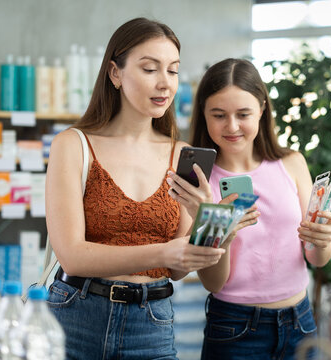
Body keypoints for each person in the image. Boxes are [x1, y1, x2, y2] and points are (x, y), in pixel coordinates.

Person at [44, 18, 225, 360]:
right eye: (149, 69)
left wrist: (205, 214)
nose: (164, 84)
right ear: (115, 73)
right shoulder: (74, 145)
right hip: (75, 316)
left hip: (152, 322)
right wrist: (161, 253)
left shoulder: (181, 154)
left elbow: (178, 268)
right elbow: (71, 254)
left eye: (172, 71)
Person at [166, 58, 331, 359]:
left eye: (243, 114)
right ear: (203, 114)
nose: (232, 127)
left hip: (301, 322)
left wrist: (324, 240)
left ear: (261, 108)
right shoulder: (198, 182)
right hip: (234, 328)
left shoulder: (292, 163)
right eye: (218, 115)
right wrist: (221, 231)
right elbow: (212, 282)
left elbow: (316, 258)